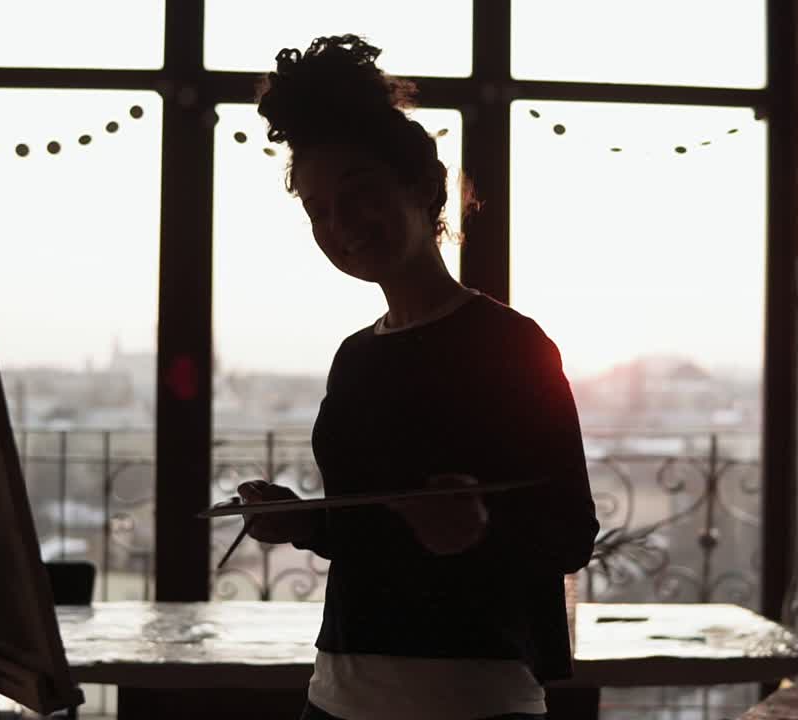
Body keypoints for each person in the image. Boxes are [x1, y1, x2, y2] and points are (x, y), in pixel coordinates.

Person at [236, 34, 599, 720]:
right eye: (317, 209)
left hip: (471, 702)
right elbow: (377, 531)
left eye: (359, 194)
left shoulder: (512, 346)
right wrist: (299, 519)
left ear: (425, 188)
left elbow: (570, 533)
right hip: (336, 695)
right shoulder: (355, 355)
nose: (339, 224)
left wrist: (480, 527)